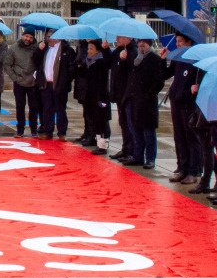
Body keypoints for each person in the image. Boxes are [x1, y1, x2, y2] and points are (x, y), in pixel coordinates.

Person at [123, 38, 169, 169]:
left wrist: (148, 94)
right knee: (136, 130)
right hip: (134, 99)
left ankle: (150, 158)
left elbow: (160, 81)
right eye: (139, 42)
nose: (141, 44)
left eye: (144, 42)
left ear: (149, 44)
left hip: (147, 101)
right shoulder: (136, 58)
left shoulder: (154, 59)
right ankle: (138, 156)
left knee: (148, 131)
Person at [165, 37, 201, 182]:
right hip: (176, 101)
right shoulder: (178, 58)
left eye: (181, 42)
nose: (178, 44)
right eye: (177, 41)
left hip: (189, 103)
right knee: (179, 136)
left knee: (191, 138)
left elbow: (200, 79)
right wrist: (163, 59)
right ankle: (182, 166)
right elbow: (166, 74)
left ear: (189, 43)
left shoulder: (196, 60)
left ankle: (194, 170)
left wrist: (195, 88)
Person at [76, 39, 113, 155]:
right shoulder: (88, 62)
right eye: (88, 48)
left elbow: (101, 80)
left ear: (97, 50)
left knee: (102, 121)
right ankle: (98, 143)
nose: (88, 51)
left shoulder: (101, 62)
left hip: (100, 97)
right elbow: (83, 76)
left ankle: (103, 145)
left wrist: (106, 49)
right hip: (90, 96)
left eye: (91, 48)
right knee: (94, 120)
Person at [36, 33, 76, 140]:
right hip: (46, 84)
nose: (47, 39)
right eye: (47, 36)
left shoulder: (67, 50)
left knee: (60, 109)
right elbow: (36, 61)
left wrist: (65, 82)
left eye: (50, 36)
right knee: (47, 109)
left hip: (59, 85)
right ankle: (48, 131)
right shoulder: (45, 49)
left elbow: (71, 69)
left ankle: (62, 132)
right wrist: (39, 50)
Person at [5, 28, 40, 136]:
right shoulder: (14, 48)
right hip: (19, 82)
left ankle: (34, 129)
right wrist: (15, 78)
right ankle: (20, 129)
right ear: (22, 35)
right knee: (20, 106)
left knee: (34, 107)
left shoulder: (37, 48)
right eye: (26, 36)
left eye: (30, 37)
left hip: (33, 83)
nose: (28, 39)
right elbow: (7, 64)